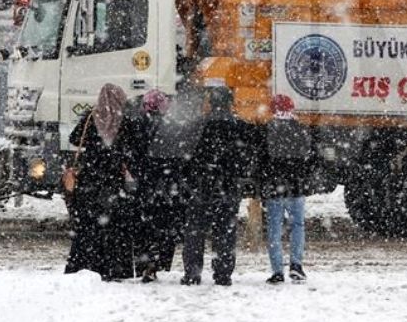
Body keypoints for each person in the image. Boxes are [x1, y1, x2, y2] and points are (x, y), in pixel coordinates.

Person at [64, 83, 139, 281]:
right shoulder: (125, 121)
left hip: (89, 180)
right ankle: (112, 268)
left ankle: (84, 265)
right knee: (113, 228)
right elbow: (132, 149)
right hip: (113, 182)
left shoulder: (90, 117)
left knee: (88, 227)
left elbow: (73, 139)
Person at [180, 88, 244, 286]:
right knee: (225, 231)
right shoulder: (239, 126)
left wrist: (190, 179)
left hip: (201, 186)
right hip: (228, 186)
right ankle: (223, 273)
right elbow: (244, 159)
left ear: (211, 102)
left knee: (195, 231)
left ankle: (192, 272)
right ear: (230, 103)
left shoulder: (198, 125)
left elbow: (187, 156)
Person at [133, 89, 188, 283]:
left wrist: (140, 173)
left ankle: (146, 263)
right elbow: (181, 156)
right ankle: (162, 263)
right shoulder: (172, 127)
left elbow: (134, 154)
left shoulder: (138, 125)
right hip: (168, 185)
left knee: (145, 225)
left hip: (147, 183)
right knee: (166, 226)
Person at [258, 94, 314, 284]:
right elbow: (308, 158)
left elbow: (261, 161)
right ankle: (296, 266)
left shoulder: (267, 129)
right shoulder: (301, 129)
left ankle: (277, 271)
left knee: (274, 228)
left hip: (275, 187)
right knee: (297, 226)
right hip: (296, 186)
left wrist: (264, 181)